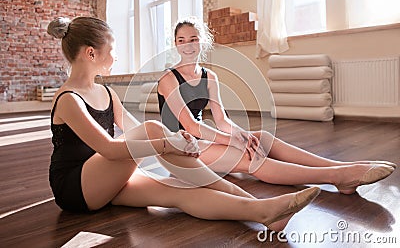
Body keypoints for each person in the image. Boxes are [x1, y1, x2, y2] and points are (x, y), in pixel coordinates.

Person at [46, 16, 322, 232]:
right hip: (76, 188)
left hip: (104, 180)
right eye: (112, 51)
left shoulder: (106, 93)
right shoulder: (69, 99)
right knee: (155, 129)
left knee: (180, 191)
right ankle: (258, 204)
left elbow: (131, 132)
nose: (115, 57)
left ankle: (263, 212)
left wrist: (176, 144)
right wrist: (169, 143)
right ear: (91, 54)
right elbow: (109, 149)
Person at [157, 16, 396, 195]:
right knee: (252, 158)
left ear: (203, 42)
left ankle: (343, 165)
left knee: (259, 138)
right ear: (175, 45)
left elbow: (221, 120)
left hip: (201, 140)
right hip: (177, 148)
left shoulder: (210, 77)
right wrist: (230, 140)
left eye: (193, 39)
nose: (187, 45)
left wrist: (241, 135)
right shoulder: (168, 79)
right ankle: (337, 177)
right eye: (181, 40)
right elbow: (190, 125)